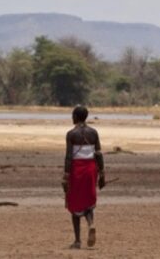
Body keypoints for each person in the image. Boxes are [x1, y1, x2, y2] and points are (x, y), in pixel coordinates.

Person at [63, 105, 106, 249]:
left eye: (72, 115)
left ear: (75, 116)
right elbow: (98, 154)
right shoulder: (93, 132)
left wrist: (65, 176)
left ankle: (77, 241)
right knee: (88, 200)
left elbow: (69, 157)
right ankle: (91, 224)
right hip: (90, 169)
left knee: (74, 202)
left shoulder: (71, 134)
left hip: (77, 170)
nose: (71, 117)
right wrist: (102, 174)